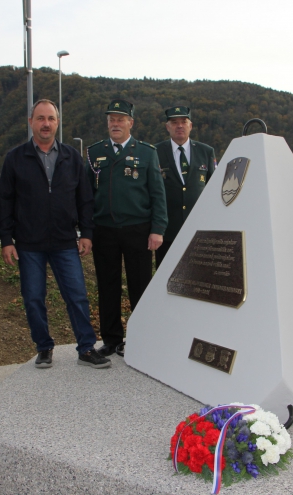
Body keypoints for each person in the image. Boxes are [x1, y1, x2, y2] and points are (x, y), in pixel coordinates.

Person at [0, 99, 110, 370]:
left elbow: (84, 199)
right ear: (31, 122)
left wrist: (86, 233)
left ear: (57, 123)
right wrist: (6, 240)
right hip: (28, 243)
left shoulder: (72, 156)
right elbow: (5, 201)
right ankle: (44, 347)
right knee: (34, 297)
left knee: (77, 296)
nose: (45, 123)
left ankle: (85, 348)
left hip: (64, 240)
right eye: (40, 118)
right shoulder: (15, 157)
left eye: (50, 118)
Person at [87, 99, 167, 357]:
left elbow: (157, 194)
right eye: (111, 119)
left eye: (121, 119)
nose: (115, 123)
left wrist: (158, 228)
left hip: (138, 229)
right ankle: (111, 339)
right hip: (104, 230)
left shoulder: (146, 152)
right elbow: (87, 195)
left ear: (131, 123)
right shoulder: (94, 152)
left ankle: (141, 336)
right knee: (107, 285)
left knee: (139, 285)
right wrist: (86, 231)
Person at [155, 106, 216, 267]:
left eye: (184, 122)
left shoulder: (206, 152)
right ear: (167, 127)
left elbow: (212, 189)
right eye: (174, 122)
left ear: (191, 126)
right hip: (167, 231)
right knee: (165, 276)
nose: (179, 126)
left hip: (198, 229)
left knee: (197, 276)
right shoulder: (155, 152)